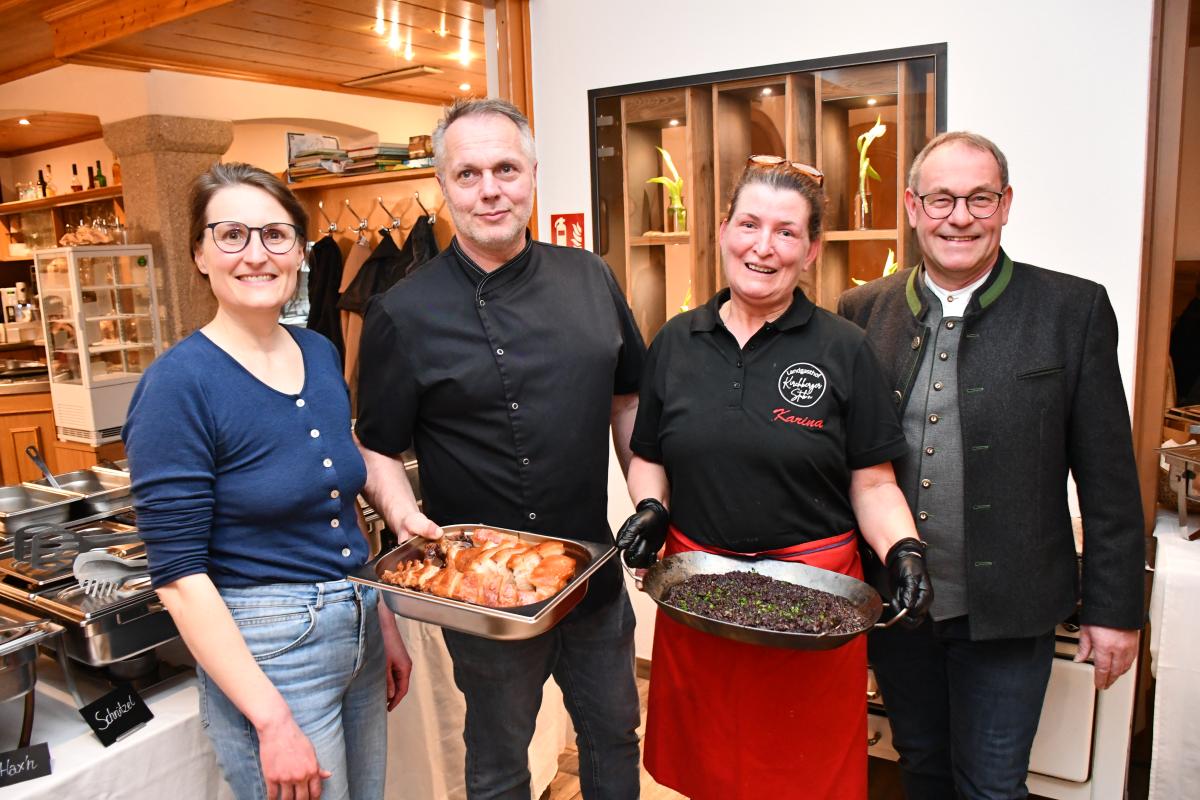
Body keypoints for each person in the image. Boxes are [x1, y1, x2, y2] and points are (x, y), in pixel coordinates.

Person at [838, 131, 1145, 799]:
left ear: (1006, 205)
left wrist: (1115, 609)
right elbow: (848, 464)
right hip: (899, 607)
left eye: (979, 198)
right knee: (919, 765)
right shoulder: (862, 311)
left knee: (993, 787)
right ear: (914, 207)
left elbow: (1109, 475)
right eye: (942, 198)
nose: (960, 216)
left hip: (1012, 609)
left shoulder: (1071, 309)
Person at [615, 157, 934, 800]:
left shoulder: (843, 348)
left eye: (787, 232)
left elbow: (872, 482)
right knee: (708, 772)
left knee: (803, 778)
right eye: (749, 224)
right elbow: (648, 450)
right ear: (724, 231)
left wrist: (903, 549)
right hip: (698, 596)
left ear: (811, 250)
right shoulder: (676, 342)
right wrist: (650, 507)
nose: (764, 246)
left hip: (814, 606)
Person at [354, 98, 645, 800]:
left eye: (506, 169)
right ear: (443, 187)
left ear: (534, 175)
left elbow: (628, 400)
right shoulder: (401, 311)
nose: (490, 189)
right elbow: (375, 445)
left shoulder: (591, 277)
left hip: (590, 574)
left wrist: (651, 505)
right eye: (469, 173)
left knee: (612, 738)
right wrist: (400, 515)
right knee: (497, 762)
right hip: (481, 595)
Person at [124, 162, 412, 800]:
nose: (256, 254)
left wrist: (381, 618)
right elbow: (179, 577)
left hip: (356, 620)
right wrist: (272, 720)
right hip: (270, 651)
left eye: (276, 235)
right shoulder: (179, 385)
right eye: (231, 235)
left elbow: (340, 504)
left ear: (301, 252)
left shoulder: (316, 351)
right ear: (200, 253)